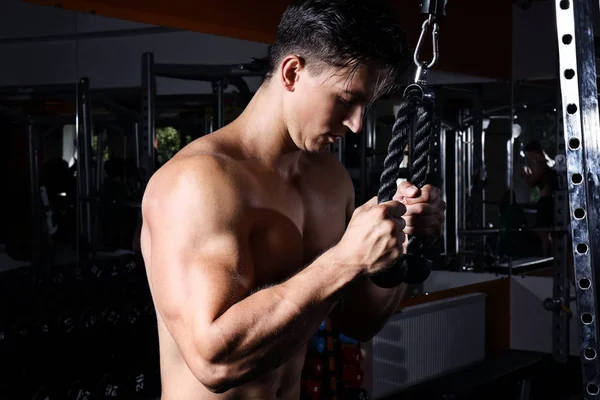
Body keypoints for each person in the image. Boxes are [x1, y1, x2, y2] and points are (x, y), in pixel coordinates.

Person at [140, 1, 446, 398]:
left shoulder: (331, 181)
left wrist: (399, 248)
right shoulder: (198, 182)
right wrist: (345, 258)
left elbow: (359, 322)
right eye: (345, 99)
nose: (356, 125)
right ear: (292, 72)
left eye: (364, 106)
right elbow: (214, 363)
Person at [520, 140, 557, 256]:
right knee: (549, 232)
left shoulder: (541, 165)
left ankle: (546, 256)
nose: (530, 159)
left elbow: (531, 182)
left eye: (530, 156)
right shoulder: (549, 163)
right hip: (551, 200)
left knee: (543, 232)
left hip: (545, 201)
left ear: (535, 153)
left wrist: (524, 173)